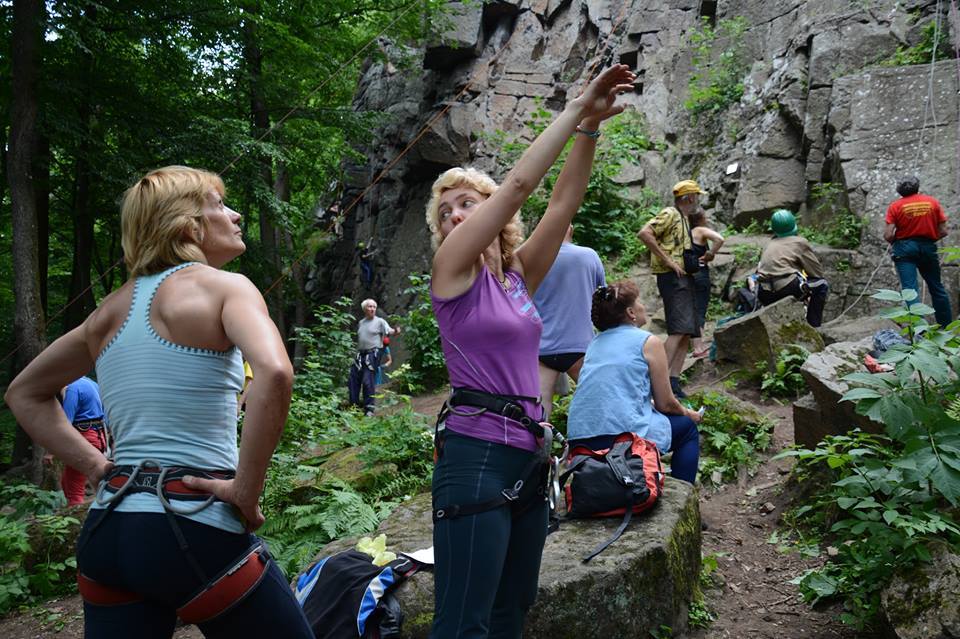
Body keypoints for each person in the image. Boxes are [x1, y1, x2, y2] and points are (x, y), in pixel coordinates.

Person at [4, 166, 312, 638]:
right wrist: (244, 493)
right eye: (220, 204)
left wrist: (96, 467)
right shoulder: (228, 287)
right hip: (193, 525)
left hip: (109, 528)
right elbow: (274, 372)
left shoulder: (106, 312)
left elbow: (23, 393)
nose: (235, 214)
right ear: (190, 225)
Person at [424, 65, 635, 638]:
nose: (456, 215)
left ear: (491, 214)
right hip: (475, 455)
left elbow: (563, 203)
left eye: (467, 203)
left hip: (531, 455)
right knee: (463, 623)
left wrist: (589, 127)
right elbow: (518, 185)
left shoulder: (516, 276)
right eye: (446, 213)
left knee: (510, 612)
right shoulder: (451, 273)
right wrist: (573, 107)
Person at [566, 280, 701, 483]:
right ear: (631, 312)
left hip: (580, 439)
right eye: (640, 302)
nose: (643, 306)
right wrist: (688, 414)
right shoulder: (648, 342)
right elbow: (666, 403)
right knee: (687, 430)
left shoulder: (594, 344)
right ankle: (684, 493)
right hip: (619, 438)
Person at [638, 179, 706, 398]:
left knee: (687, 330)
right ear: (688, 197)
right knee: (678, 330)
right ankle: (654, 380)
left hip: (684, 277)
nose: (698, 200)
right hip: (672, 278)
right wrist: (667, 261)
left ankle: (673, 380)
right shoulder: (670, 213)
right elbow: (645, 233)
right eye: (696, 196)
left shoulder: (684, 218)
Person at [532, 223, 606, 419]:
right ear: (571, 230)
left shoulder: (532, 259)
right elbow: (604, 297)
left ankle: (541, 448)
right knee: (601, 400)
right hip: (580, 345)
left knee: (539, 409)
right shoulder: (588, 255)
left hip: (542, 348)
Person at [884, 175, 953, 326]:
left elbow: (888, 234)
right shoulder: (932, 202)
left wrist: (896, 241)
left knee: (909, 290)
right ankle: (947, 328)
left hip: (904, 248)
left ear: (900, 190)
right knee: (937, 287)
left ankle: (919, 329)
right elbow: (944, 231)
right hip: (928, 247)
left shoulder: (895, 206)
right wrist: (929, 239)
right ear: (917, 187)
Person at [756, 209, 829, 327]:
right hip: (787, 288)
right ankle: (814, 326)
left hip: (764, 292)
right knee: (821, 285)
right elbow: (817, 273)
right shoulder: (799, 242)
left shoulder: (768, 244)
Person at [58, 376, 108, 506]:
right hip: (99, 436)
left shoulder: (73, 388)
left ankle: (76, 518)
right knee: (67, 481)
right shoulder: (94, 384)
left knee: (74, 487)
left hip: (84, 438)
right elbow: (105, 413)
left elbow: (66, 422)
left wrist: (50, 452)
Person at [349, 298, 399, 416]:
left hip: (373, 354)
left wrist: (396, 331)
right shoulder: (361, 323)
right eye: (369, 306)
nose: (372, 309)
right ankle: (354, 407)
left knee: (367, 381)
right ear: (364, 309)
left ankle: (369, 409)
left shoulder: (380, 321)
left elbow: (390, 331)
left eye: (374, 307)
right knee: (353, 379)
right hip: (360, 354)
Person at [689, 212, 725, 358]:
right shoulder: (700, 230)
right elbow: (719, 239)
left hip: (688, 274)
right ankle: (698, 348)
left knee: (692, 309)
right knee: (700, 309)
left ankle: (695, 345)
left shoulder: (687, 233)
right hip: (700, 274)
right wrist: (710, 253)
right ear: (700, 219)